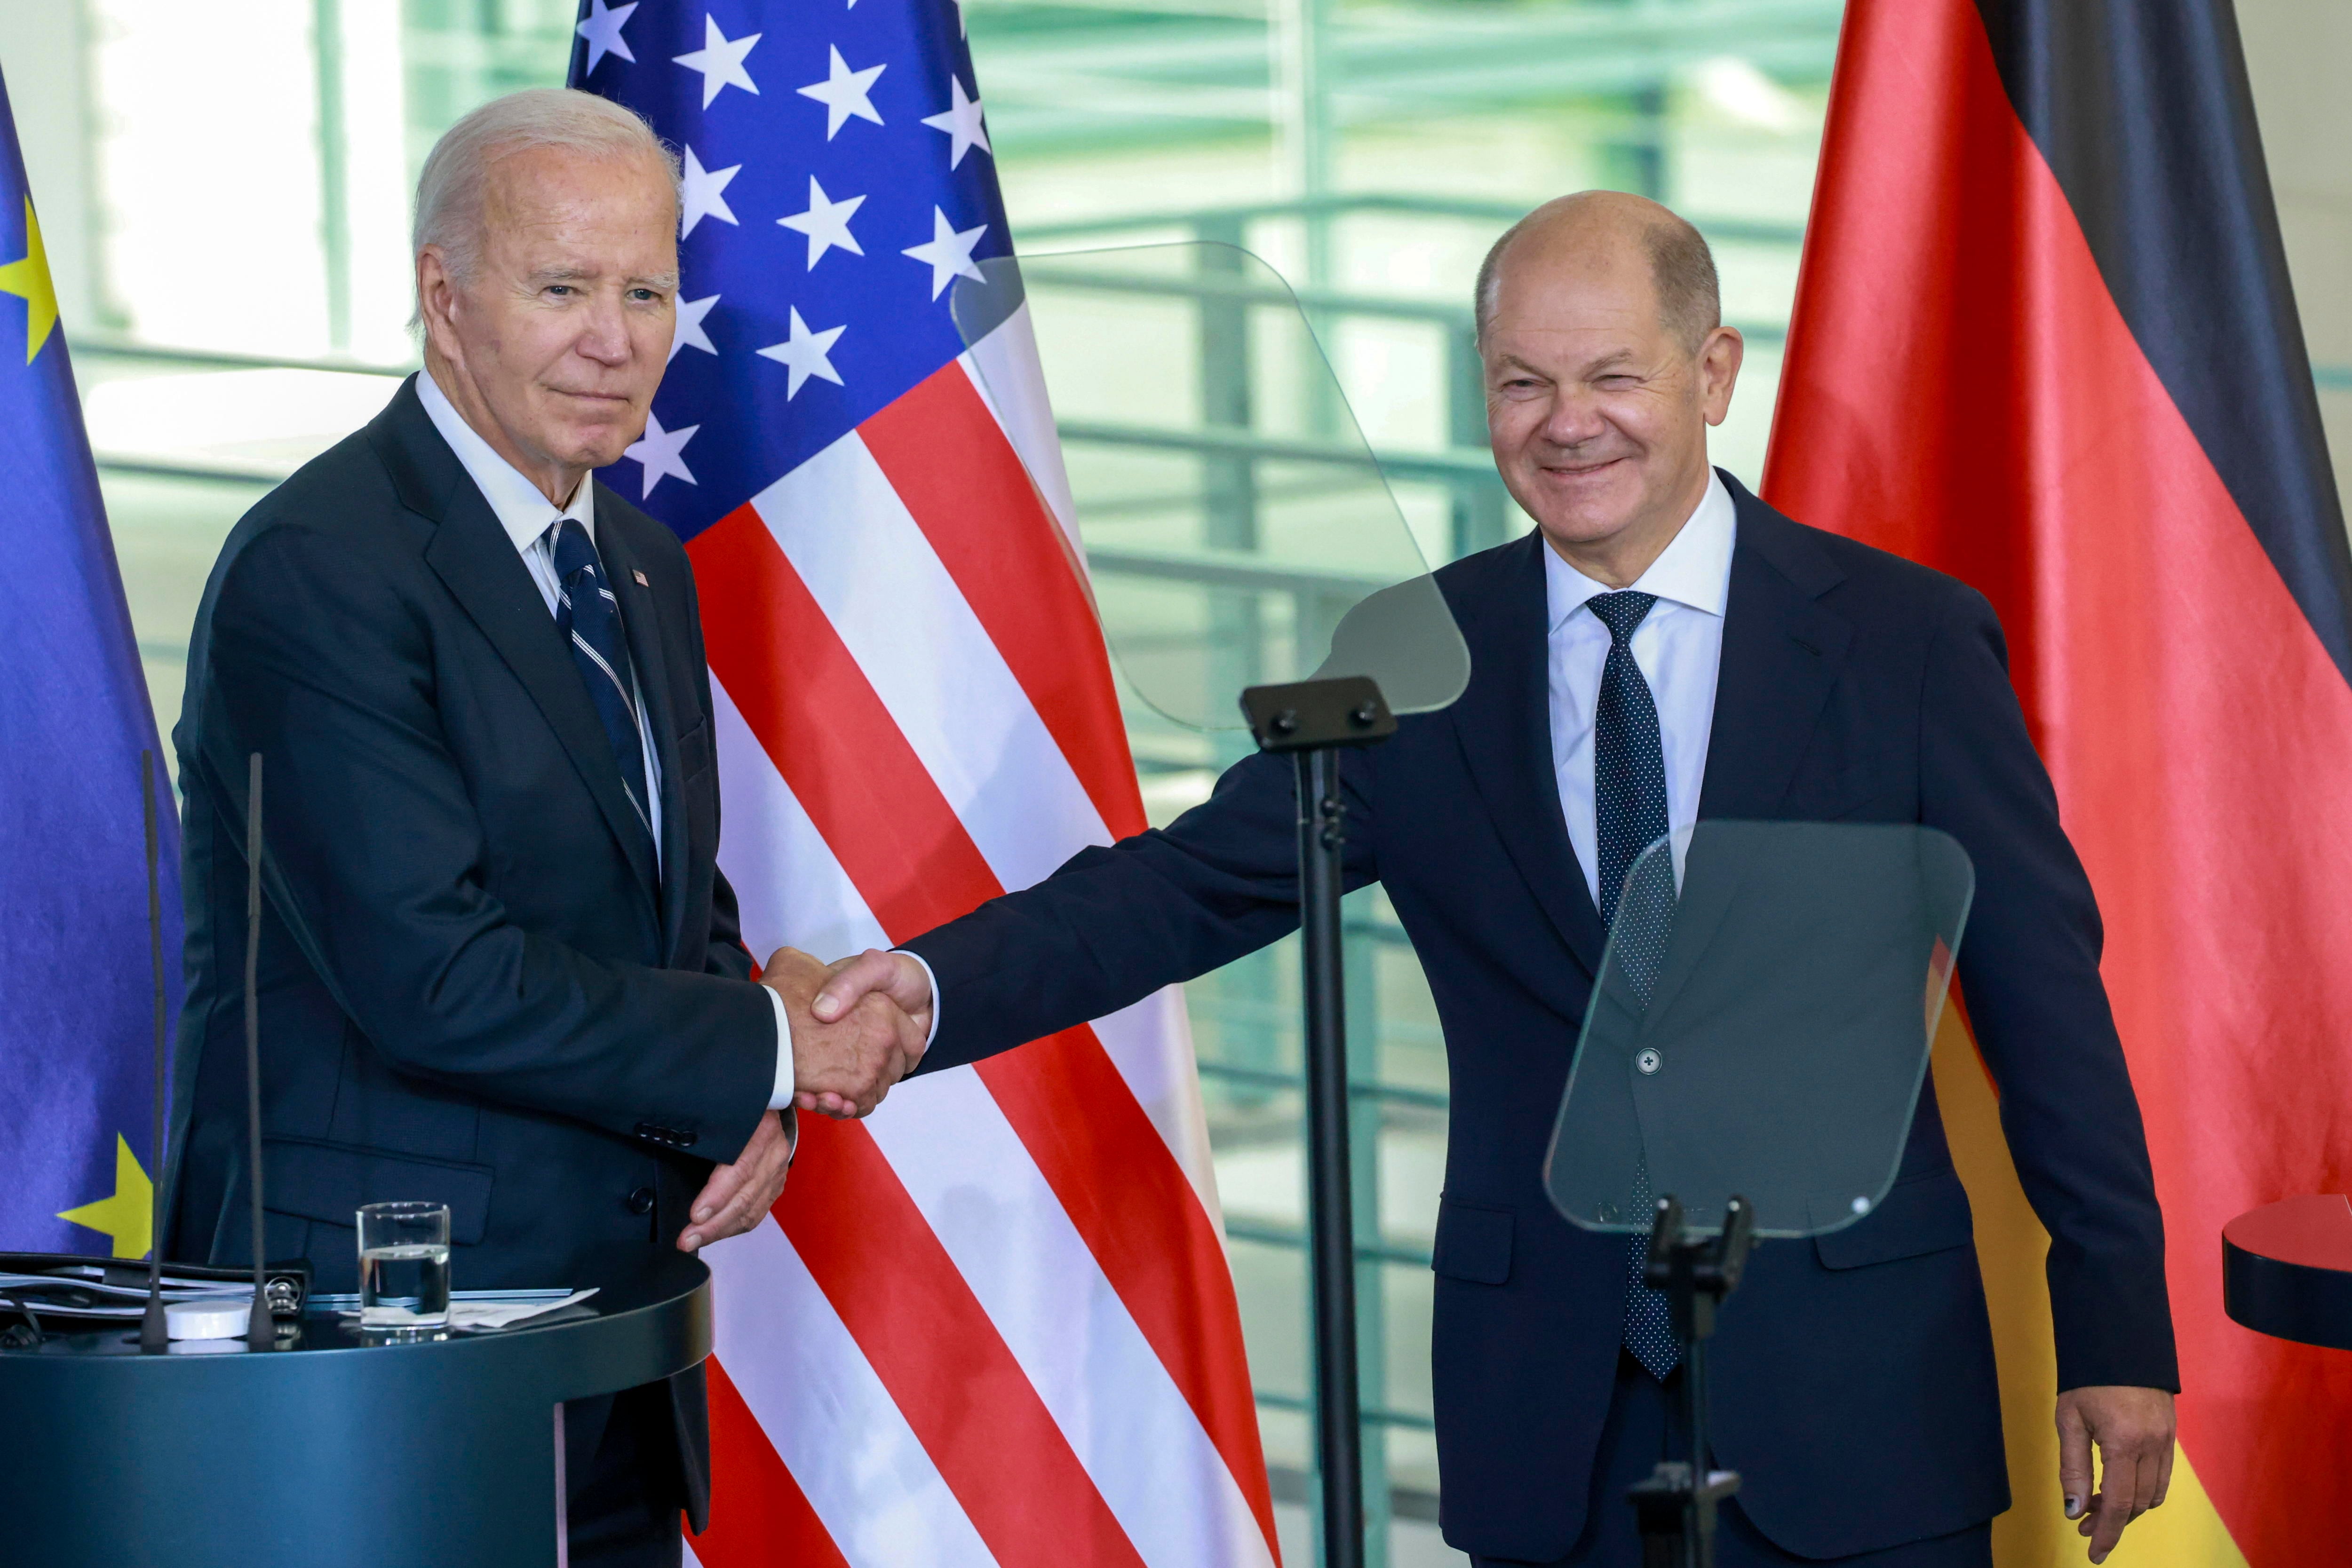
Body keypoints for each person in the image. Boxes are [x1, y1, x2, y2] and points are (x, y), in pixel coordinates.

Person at [814, 192, 2180, 1566]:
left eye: (1613, 376)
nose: (1566, 421)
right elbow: (1183, 889)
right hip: (1551, 1416)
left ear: (1713, 373)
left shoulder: (1907, 642)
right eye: (1523, 382)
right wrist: (926, 990)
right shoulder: (1417, 650)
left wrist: (2119, 1331)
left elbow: (2047, 1008)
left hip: (1859, 1411)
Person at [164, 89, 920, 1568]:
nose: (616, 337)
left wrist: (747, 1100)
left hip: (609, 1341)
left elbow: (660, 893)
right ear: (444, 300)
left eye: (647, 290)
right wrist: (772, 1045)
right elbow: (431, 978)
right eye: (562, 287)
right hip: (384, 1352)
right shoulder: (320, 569)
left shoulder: (634, 557)